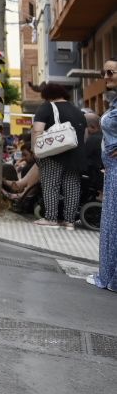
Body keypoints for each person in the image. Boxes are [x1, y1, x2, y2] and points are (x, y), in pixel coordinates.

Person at [32, 82, 87, 230]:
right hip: (76, 153)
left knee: (51, 185)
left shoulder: (46, 107)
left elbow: (38, 130)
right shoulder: (77, 110)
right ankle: (69, 221)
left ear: (46, 95)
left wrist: (35, 149)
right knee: (72, 186)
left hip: (54, 153)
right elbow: (84, 134)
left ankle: (51, 218)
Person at [89, 59, 116, 291]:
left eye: (110, 72)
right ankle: (109, 275)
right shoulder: (114, 102)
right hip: (112, 169)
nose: (105, 76)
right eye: (103, 71)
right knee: (110, 223)